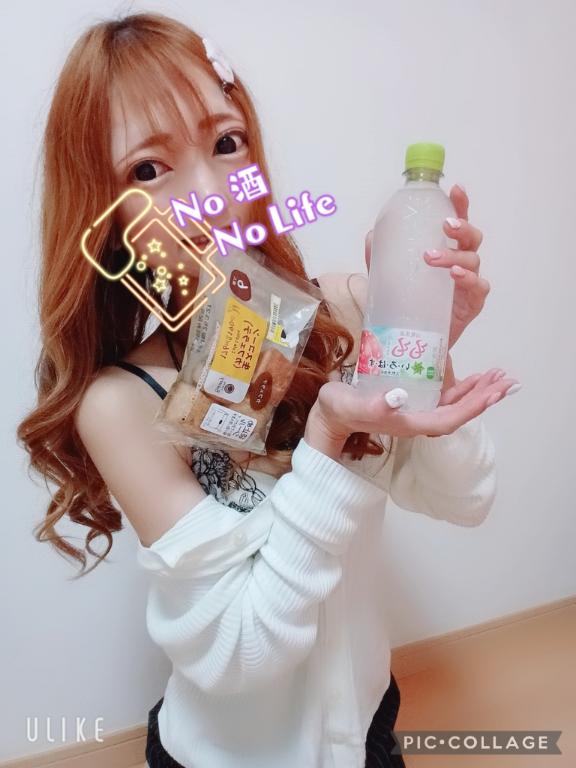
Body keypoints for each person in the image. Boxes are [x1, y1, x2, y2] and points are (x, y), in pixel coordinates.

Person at [16, 12, 520, 768]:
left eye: (226, 144)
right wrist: (325, 441)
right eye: (148, 170)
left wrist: (429, 350)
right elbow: (238, 650)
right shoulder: (122, 402)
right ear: (103, 216)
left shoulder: (341, 313)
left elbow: (466, 500)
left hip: (365, 731)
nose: (210, 193)